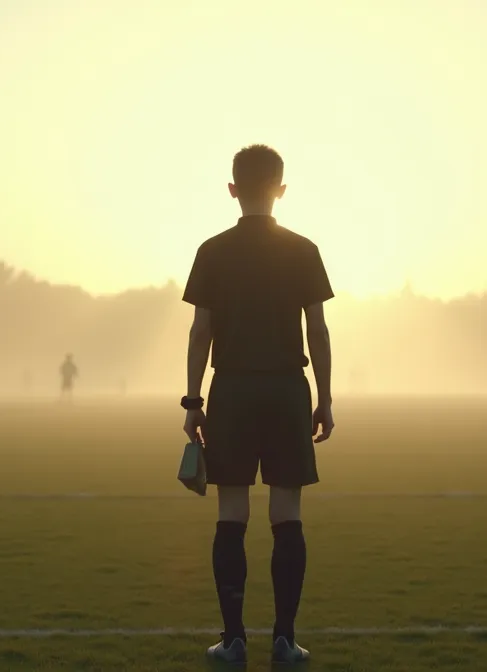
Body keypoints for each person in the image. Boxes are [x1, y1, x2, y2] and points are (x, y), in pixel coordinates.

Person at [180, 144, 335, 665]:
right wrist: (326, 397)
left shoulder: (212, 250)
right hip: (289, 389)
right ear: (281, 190)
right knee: (286, 514)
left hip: (233, 393)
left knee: (232, 514)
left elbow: (201, 331)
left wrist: (193, 401)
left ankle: (233, 639)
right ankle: (286, 639)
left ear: (232, 190)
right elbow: (316, 327)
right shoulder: (303, 249)